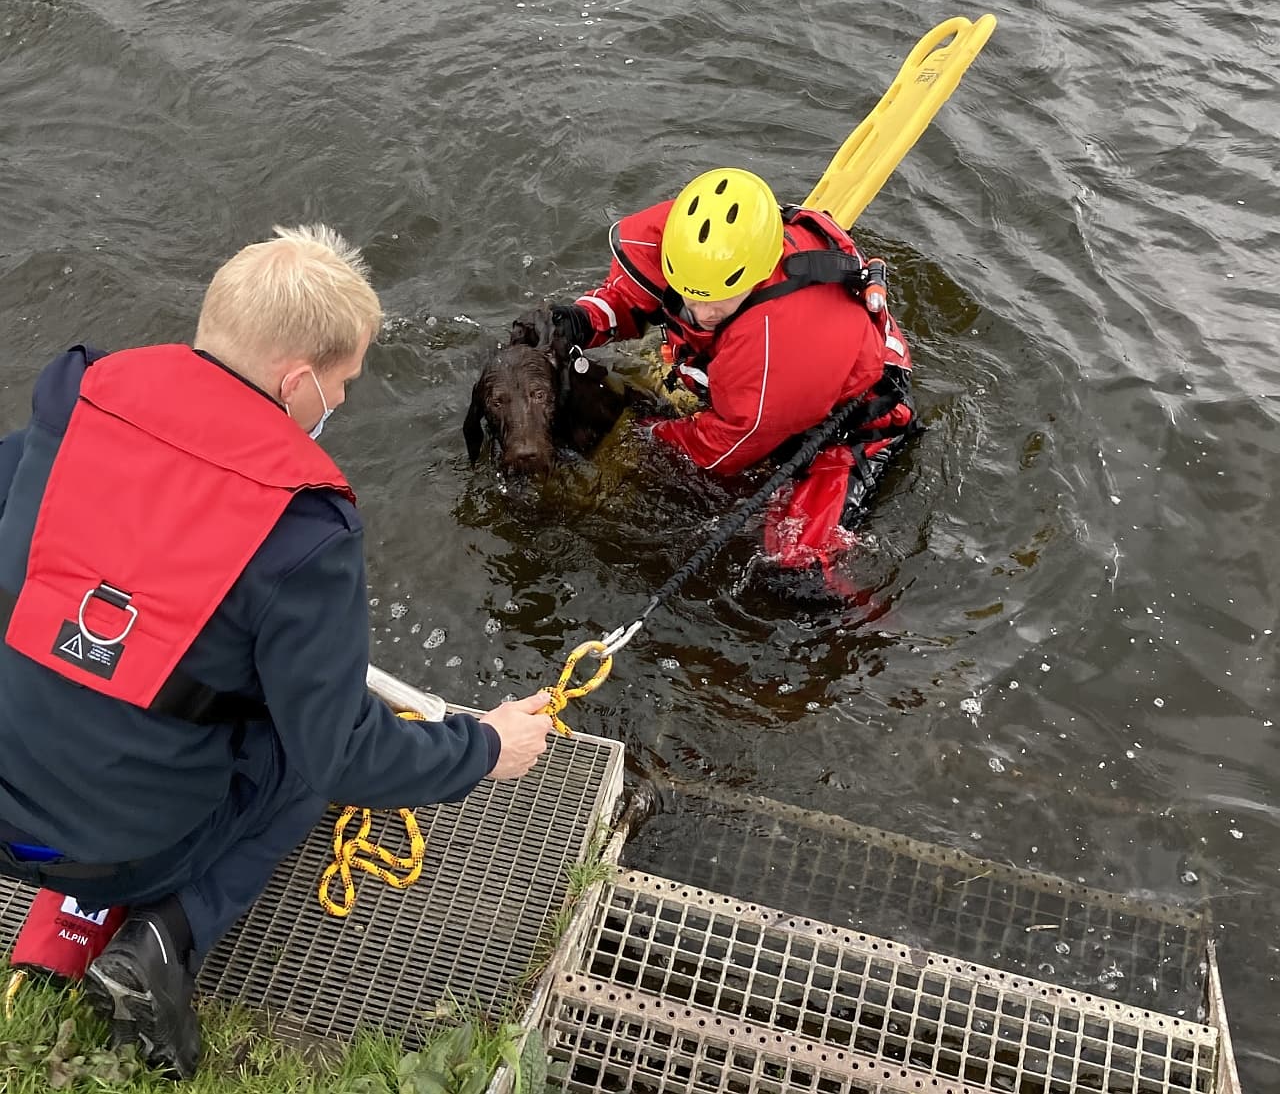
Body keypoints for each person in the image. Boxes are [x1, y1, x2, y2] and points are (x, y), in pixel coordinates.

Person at [0, 225, 554, 1078]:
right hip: (120, 849)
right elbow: (343, 752)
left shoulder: (74, 397)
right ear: (298, 382)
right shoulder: (306, 527)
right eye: (342, 381)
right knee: (303, 752)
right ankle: (165, 936)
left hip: (6, 813)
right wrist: (486, 747)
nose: (340, 398)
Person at [531, 167, 919, 588]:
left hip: (850, 420)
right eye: (690, 296)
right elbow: (632, 294)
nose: (701, 312)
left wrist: (650, 437)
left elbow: (727, 445)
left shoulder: (781, 340)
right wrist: (584, 320)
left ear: (759, 273)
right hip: (752, 380)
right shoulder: (692, 246)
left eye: (717, 301)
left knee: (798, 572)